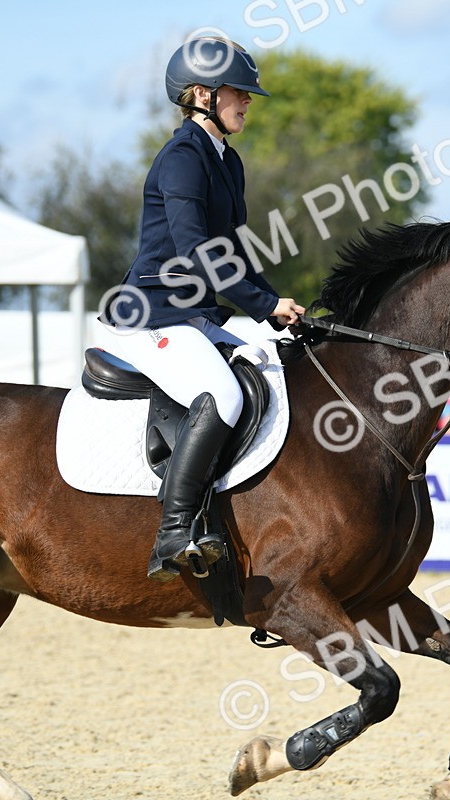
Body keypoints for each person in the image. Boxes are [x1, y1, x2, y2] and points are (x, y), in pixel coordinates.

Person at [99, 36, 305, 582]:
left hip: (195, 314)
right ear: (201, 95)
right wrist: (260, 302)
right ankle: (174, 531)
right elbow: (197, 252)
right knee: (224, 394)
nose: (249, 101)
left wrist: (273, 310)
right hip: (151, 314)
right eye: (240, 92)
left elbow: (233, 250)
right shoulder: (182, 159)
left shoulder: (226, 162)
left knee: (268, 371)